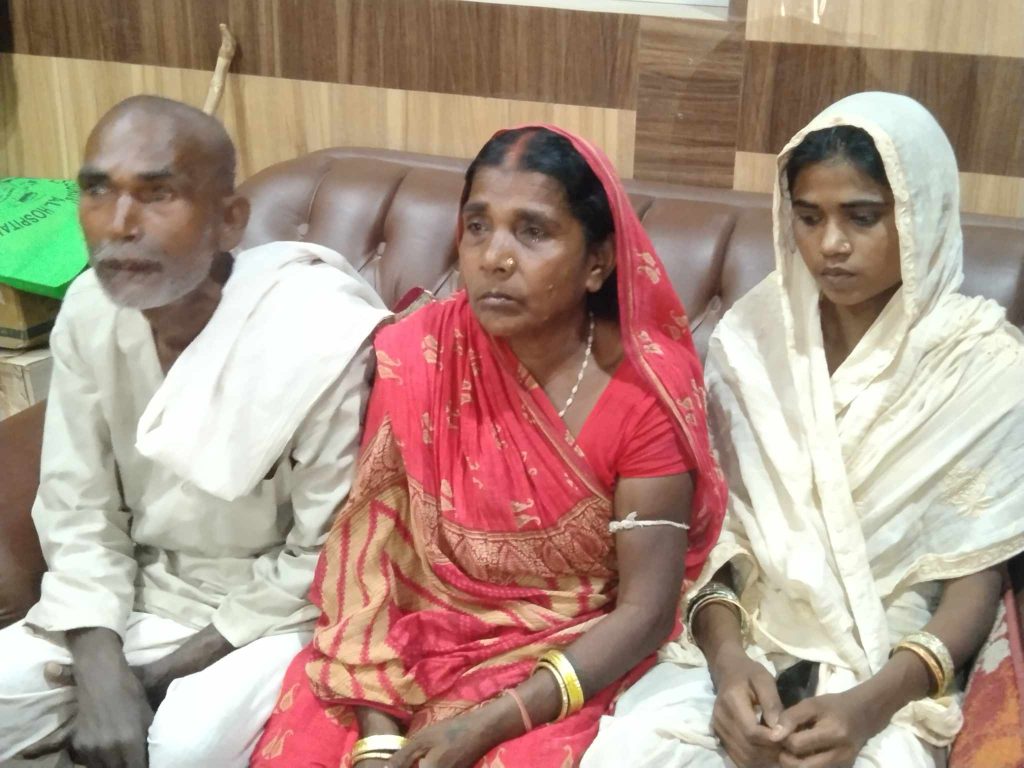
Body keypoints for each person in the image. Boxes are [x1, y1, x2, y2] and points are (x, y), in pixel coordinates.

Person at [250, 125, 727, 768]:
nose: (494, 257)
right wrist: (376, 738)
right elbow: (372, 562)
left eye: (532, 232)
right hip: (399, 658)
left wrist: (490, 723)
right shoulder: (420, 351)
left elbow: (646, 610)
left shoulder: (645, 396)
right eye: (478, 227)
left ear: (596, 262)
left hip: (565, 665)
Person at [581, 92, 1024, 768]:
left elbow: (973, 579)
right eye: (809, 217)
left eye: (863, 217)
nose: (831, 244)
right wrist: (729, 667)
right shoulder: (752, 340)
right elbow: (718, 542)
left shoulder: (987, 368)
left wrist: (868, 707)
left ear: (921, 215)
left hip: (889, 672)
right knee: (633, 753)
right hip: (743, 643)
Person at [0, 95, 390, 767]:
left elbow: (322, 556)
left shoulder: (316, 331)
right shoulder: (89, 311)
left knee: (183, 746)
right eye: (98, 191)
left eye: (158, 195)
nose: (119, 224)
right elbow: (78, 510)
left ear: (229, 220)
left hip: (268, 616)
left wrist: (158, 676)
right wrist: (100, 666)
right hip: (130, 591)